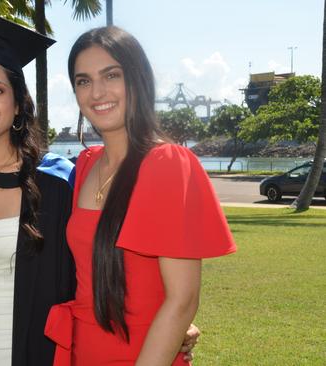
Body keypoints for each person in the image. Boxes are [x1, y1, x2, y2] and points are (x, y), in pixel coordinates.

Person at [0, 8, 199, 366]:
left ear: (18, 104)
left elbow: (93, 268)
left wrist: (175, 317)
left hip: (40, 356)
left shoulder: (57, 183)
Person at [45, 26, 237, 365]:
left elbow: (182, 300)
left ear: (138, 79)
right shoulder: (86, 166)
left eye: (111, 75)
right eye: (83, 81)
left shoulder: (167, 164)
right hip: (82, 352)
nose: (97, 92)